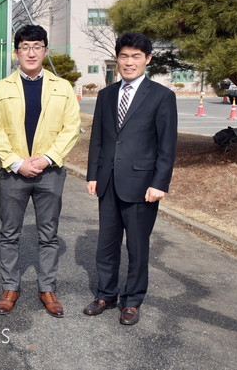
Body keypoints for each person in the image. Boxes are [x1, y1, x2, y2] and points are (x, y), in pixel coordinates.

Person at [84, 31, 177, 326]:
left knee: (137, 246)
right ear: (117, 59)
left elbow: (167, 145)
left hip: (142, 184)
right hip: (108, 181)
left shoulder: (162, 96)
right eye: (124, 56)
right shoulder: (106, 95)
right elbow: (98, 139)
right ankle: (105, 295)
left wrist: (159, 183)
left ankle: (133, 301)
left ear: (148, 59)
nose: (129, 62)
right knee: (106, 244)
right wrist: (92, 174)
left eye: (136, 56)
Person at [0, 24, 80, 317]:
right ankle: (10, 287)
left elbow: (71, 128)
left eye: (37, 47)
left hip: (49, 172)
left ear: (45, 50)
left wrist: (48, 158)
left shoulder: (62, 87)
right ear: (16, 53)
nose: (31, 53)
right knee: (9, 233)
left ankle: (47, 288)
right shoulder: (1, 88)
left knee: (49, 234)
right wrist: (17, 162)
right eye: (25, 47)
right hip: (13, 172)